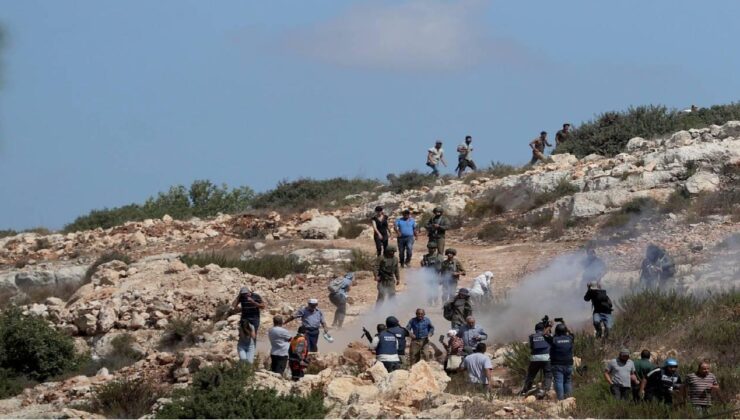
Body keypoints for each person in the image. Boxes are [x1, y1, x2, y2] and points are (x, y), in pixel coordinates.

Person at [520, 322, 552, 398]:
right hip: (546, 358)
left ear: (535, 329)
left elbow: (532, 347)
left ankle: (525, 390)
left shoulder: (532, 337)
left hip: (535, 358)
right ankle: (546, 391)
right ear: (544, 329)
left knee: (531, 375)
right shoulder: (548, 335)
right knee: (548, 375)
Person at [547, 322, 574, 400]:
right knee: (567, 382)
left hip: (557, 364)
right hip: (569, 364)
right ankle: (568, 400)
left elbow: (544, 334)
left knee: (559, 382)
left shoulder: (554, 339)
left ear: (556, 331)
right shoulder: (570, 338)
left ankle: (561, 400)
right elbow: (571, 332)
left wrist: (549, 326)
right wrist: (564, 323)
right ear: (565, 331)